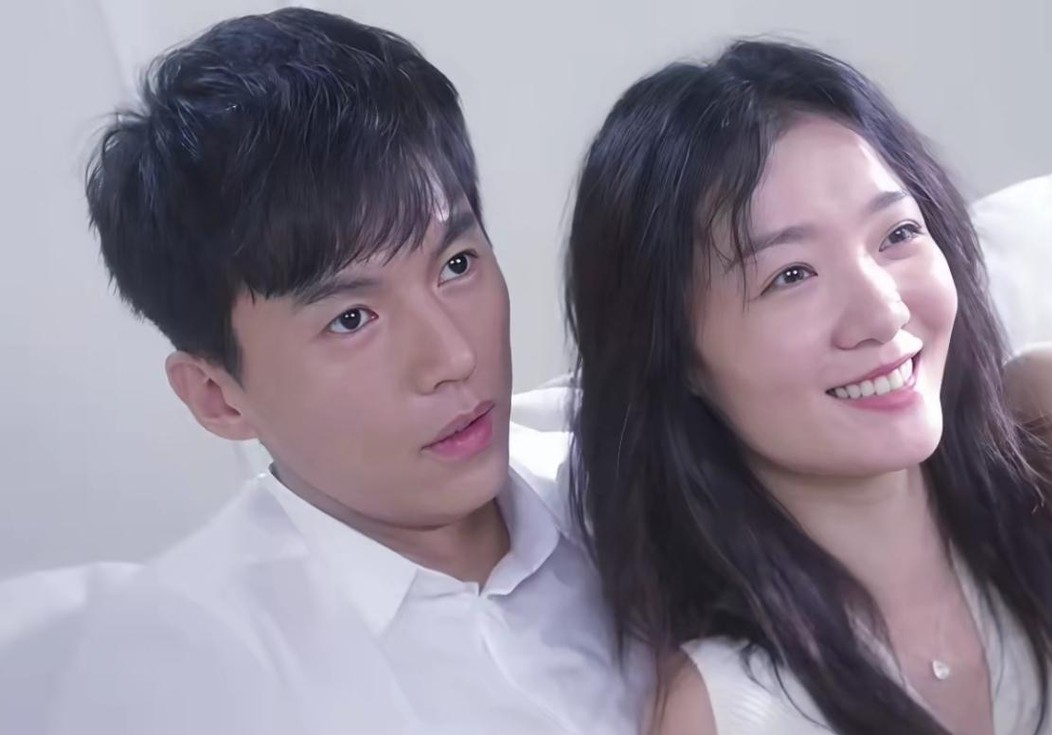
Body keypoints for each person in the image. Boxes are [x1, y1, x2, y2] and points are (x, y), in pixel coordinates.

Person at [32, 8, 645, 735]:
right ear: (218, 398)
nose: (453, 358)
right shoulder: (187, 687)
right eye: (352, 318)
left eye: (456, 265)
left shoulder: (632, 471)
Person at [564, 40, 1052, 734]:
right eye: (792, 275)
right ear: (675, 355)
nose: (883, 311)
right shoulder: (728, 709)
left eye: (897, 233)